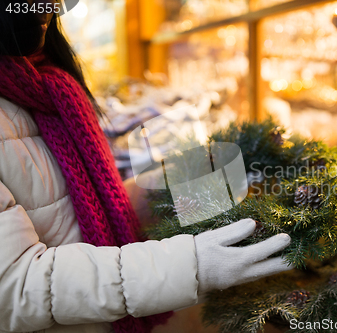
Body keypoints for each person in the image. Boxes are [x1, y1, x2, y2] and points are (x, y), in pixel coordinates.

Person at [0, 1, 293, 332]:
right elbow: (13, 288)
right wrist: (190, 264)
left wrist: (174, 183)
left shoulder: (48, 86)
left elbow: (81, 211)